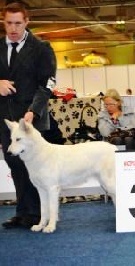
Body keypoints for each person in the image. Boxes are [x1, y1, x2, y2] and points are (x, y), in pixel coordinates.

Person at [0, 2, 57, 229]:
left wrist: (33, 111)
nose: (13, 28)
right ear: (3, 22)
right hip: (5, 120)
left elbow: (48, 84)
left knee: (37, 169)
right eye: (8, 23)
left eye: (18, 23)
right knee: (15, 166)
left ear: (27, 22)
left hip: (31, 122)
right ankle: (24, 212)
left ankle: (39, 215)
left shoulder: (42, 48)